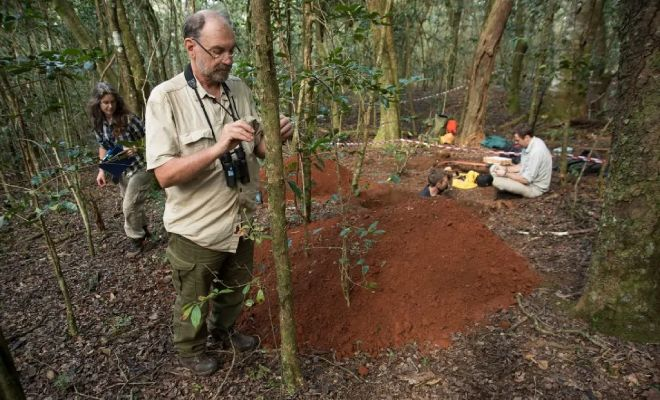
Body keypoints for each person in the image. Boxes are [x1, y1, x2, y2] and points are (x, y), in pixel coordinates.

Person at [145, 10, 292, 376]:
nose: (227, 59)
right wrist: (217, 147)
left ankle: (223, 332)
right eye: (218, 51)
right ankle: (190, 351)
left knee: (235, 287)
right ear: (190, 47)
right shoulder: (166, 98)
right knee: (193, 295)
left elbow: (259, 149)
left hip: (241, 219)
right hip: (196, 228)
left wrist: (275, 136)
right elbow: (163, 174)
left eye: (232, 50)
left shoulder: (238, 88)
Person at [87, 82, 154, 258]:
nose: (110, 106)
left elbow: (149, 138)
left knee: (129, 206)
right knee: (131, 202)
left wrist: (136, 147)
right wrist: (101, 170)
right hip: (121, 168)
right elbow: (102, 146)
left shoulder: (129, 119)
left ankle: (136, 241)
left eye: (112, 102)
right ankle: (145, 231)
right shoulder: (99, 123)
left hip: (141, 166)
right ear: (98, 104)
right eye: (105, 103)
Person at [490, 125, 552, 198]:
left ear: (526, 138)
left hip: (534, 188)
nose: (516, 142)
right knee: (494, 168)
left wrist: (505, 174)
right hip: (524, 177)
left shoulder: (537, 152)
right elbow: (522, 166)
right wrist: (505, 169)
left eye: (517, 140)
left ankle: (512, 194)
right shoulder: (529, 144)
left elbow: (526, 180)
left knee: (497, 181)